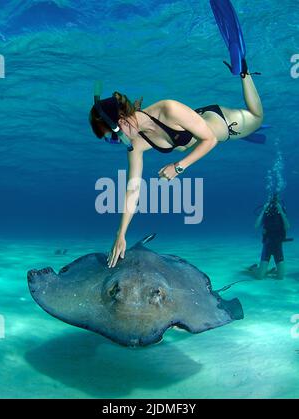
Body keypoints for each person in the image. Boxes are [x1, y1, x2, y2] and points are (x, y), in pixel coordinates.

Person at [89, 0, 264, 268]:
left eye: (113, 136)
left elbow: (211, 140)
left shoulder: (167, 108)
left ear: (121, 121)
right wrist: (120, 234)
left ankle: (242, 71)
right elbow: (133, 188)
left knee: (257, 118)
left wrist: (179, 167)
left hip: (222, 125)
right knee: (222, 129)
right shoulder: (136, 143)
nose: (118, 142)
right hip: (195, 124)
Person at [254, 194, 290, 280]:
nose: (274, 204)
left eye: (276, 201)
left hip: (278, 245)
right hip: (268, 244)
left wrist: (281, 211)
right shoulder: (266, 213)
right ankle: (254, 268)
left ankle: (265, 269)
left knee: (280, 277)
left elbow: (287, 226)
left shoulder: (281, 212)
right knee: (259, 277)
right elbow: (256, 226)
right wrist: (263, 210)